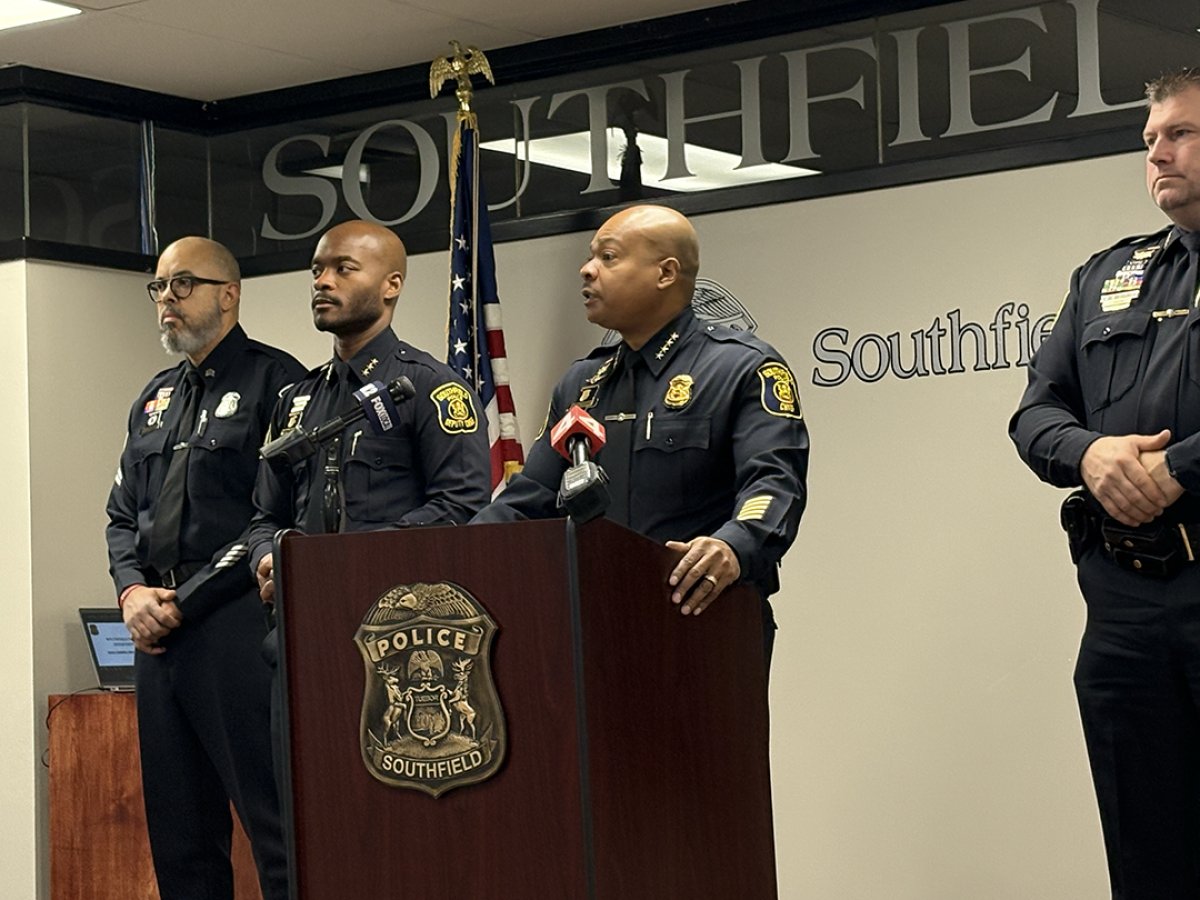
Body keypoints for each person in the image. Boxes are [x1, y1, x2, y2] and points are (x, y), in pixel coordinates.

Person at [1010, 69, 1200, 899]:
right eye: (1150, 137)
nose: (1157, 150)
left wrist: (1175, 471)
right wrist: (1090, 457)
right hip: (1123, 611)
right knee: (1147, 858)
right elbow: (1035, 413)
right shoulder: (1109, 274)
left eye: (1181, 132)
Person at [472, 205, 808, 659]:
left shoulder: (740, 368)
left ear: (666, 273)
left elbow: (773, 481)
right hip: (596, 627)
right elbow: (528, 499)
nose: (587, 269)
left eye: (608, 257)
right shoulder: (581, 384)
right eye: (592, 257)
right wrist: (453, 553)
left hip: (704, 621)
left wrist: (733, 546)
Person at [105, 237, 304, 900]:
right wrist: (132, 591)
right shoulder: (154, 397)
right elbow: (121, 513)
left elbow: (269, 517)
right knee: (179, 834)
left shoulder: (279, 383)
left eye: (183, 284)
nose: (168, 300)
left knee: (275, 825)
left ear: (229, 292)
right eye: (159, 286)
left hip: (237, 625)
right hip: (158, 637)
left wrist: (182, 600)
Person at [248, 218, 491, 603]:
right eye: (317, 270)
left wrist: (350, 559)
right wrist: (266, 556)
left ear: (391, 285)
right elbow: (266, 517)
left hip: (397, 616)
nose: (322, 282)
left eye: (343, 269)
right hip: (302, 614)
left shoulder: (430, 387)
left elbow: (461, 506)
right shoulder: (297, 400)